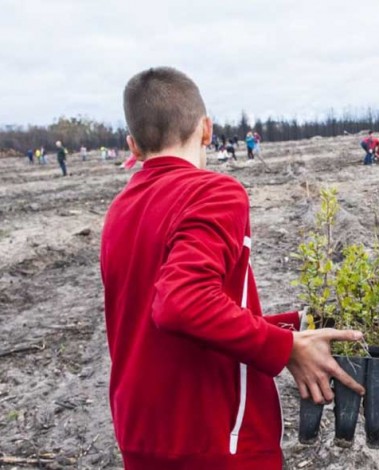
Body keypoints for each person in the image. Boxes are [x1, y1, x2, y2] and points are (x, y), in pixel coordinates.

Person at [101, 66, 365, 469]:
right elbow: (181, 304)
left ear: (132, 146)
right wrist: (285, 349)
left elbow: (162, 320)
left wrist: (291, 327)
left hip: (142, 434)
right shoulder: (213, 192)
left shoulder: (120, 209)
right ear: (207, 130)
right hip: (213, 438)